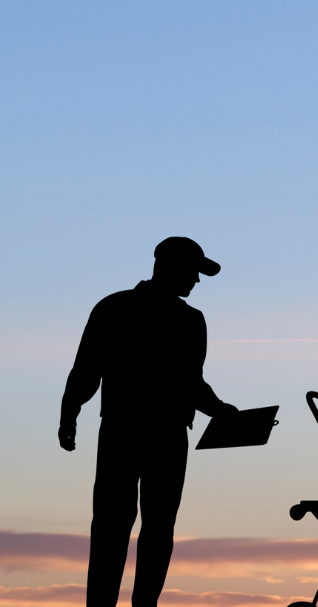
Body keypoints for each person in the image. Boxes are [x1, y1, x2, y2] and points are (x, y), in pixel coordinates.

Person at [60, 236, 241, 607]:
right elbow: (87, 369)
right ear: (168, 266)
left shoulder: (186, 319)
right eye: (192, 271)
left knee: (154, 526)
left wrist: (219, 410)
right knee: (115, 524)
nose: (196, 281)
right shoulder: (117, 308)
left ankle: (143, 606)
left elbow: (190, 382)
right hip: (129, 431)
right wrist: (69, 414)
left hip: (161, 433)